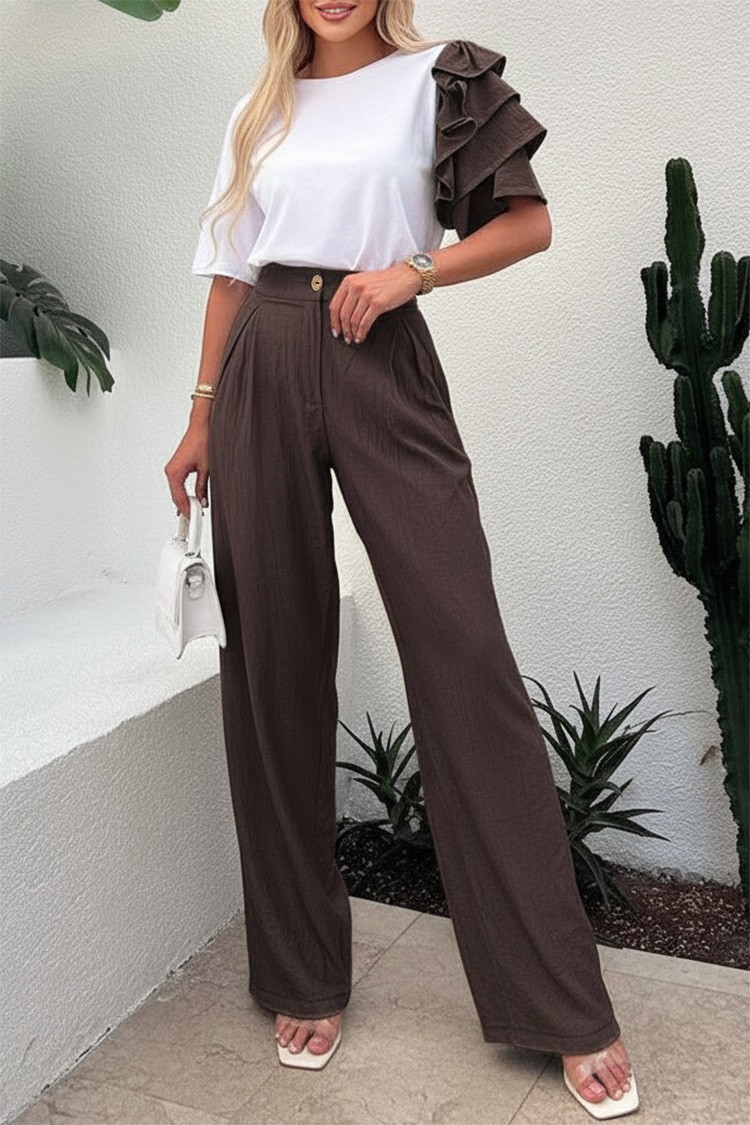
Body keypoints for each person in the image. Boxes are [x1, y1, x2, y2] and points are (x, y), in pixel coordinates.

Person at [165, 1, 638, 1117]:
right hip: (262, 360)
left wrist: (412, 273)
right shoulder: (258, 109)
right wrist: (198, 418)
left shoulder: (442, 83)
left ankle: (559, 1002)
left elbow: (528, 224)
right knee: (273, 663)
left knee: (464, 656)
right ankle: (302, 973)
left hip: (381, 354)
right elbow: (230, 273)